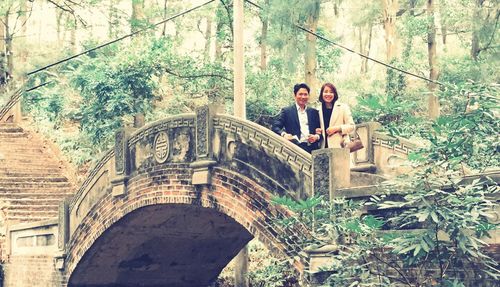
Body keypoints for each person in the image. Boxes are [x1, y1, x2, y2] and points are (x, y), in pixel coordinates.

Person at [272, 83, 322, 153]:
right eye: (300, 94)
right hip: (294, 149)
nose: (303, 97)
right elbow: (275, 127)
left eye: (305, 94)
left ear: (308, 96)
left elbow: (320, 131)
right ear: (295, 95)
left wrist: (316, 136)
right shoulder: (287, 111)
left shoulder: (314, 112)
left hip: (312, 149)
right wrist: (284, 134)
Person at [316, 82, 355, 148]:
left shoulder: (343, 107)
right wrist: (317, 131)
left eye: (331, 92)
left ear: (334, 94)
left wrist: (337, 128)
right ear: (322, 94)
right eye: (325, 92)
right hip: (322, 147)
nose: (328, 94)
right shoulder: (317, 110)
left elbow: (352, 126)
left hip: (340, 146)